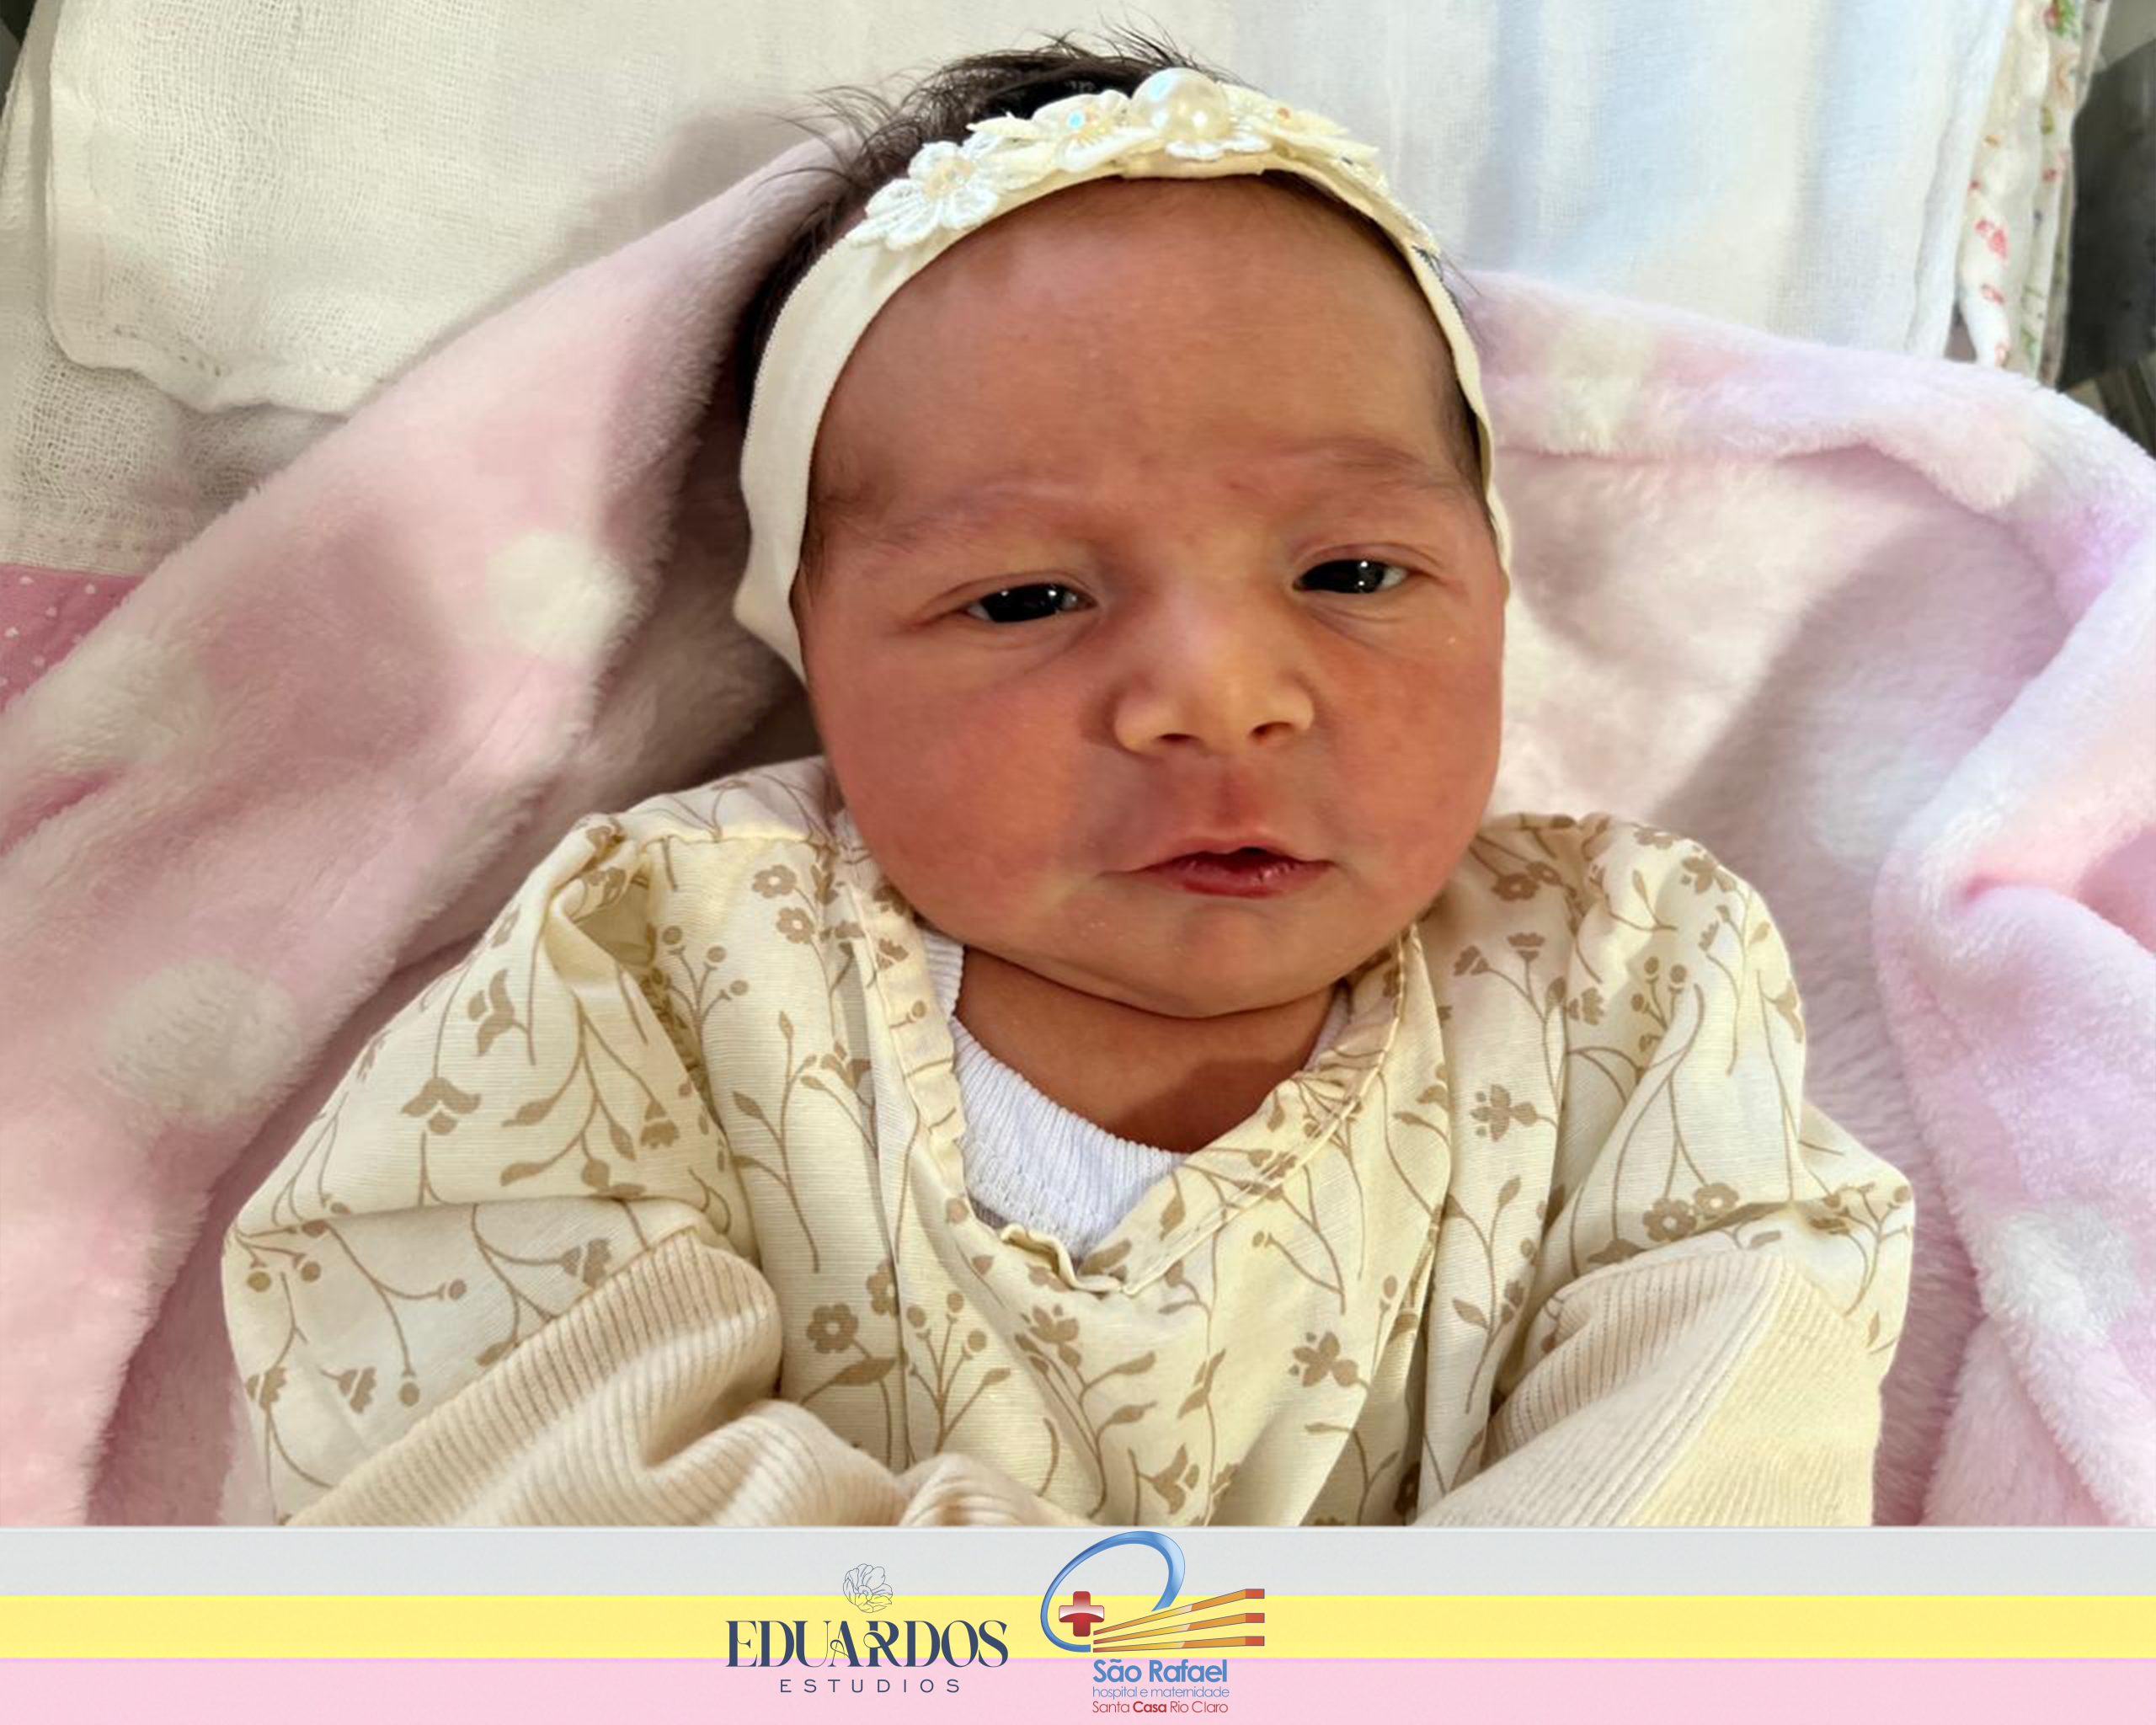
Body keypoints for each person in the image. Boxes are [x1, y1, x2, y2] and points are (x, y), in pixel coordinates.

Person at [223, 32, 1913, 1527]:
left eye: (1350, 572)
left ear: (1495, 586)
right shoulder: (662, 963)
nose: (1220, 699)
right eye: (1027, 598)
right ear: (809, 656)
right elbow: (494, 1441)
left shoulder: (1621, 986)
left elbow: (1728, 1452)